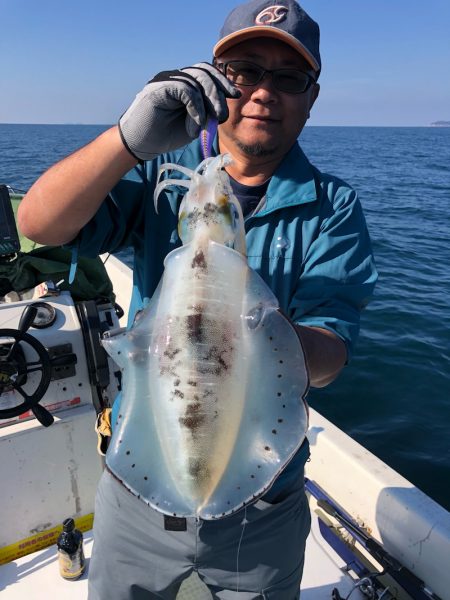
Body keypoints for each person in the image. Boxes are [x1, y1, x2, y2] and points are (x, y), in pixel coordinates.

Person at [18, 0, 377, 597]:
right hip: (136, 485)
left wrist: (252, 327)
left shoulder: (333, 207)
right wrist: (127, 141)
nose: (264, 92)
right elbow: (41, 223)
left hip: (264, 505)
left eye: (288, 79)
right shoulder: (161, 172)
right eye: (244, 72)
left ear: (311, 98)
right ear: (214, 80)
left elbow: (331, 355)